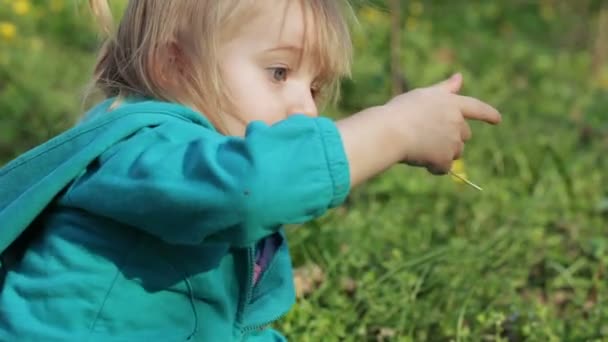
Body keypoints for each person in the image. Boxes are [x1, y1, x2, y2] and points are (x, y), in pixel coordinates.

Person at [0, 0, 501, 340]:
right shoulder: (145, 146)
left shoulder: (198, 166)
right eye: (279, 72)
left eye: (314, 86)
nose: (306, 108)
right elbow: (252, 187)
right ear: (173, 64)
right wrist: (393, 129)